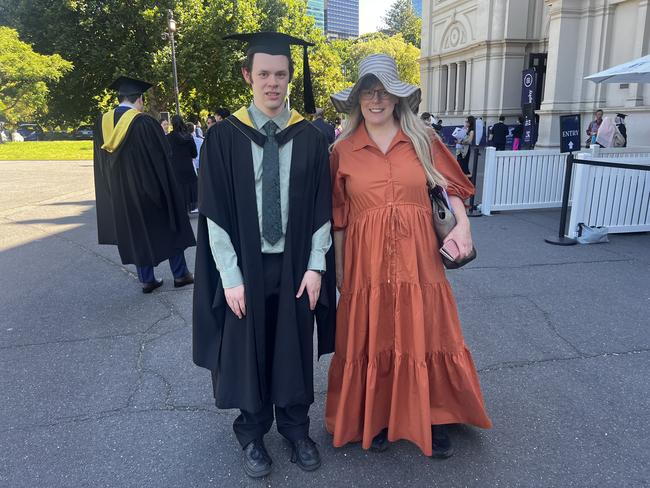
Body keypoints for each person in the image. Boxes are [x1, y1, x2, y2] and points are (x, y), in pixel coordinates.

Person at [327, 53, 491, 459]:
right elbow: (339, 218)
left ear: (398, 98)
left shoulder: (422, 140)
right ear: (357, 100)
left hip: (420, 259)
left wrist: (464, 228)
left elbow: (451, 188)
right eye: (368, 92)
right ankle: (377, 416)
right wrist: (342, 273)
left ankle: (434, 415)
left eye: (383, 92)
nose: (376, 100)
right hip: (367, 264)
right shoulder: (342, 151)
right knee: (374, 333)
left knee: (428, 332)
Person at [192, 32, 335, 479]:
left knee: (293, 346)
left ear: (290, 78)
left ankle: (295, 430)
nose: (273, 83)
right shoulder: (223, 138)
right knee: (247, 350)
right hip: (245, 266)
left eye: (281, 74)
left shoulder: (311, 138)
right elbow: (213, 213)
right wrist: (230, 276)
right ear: (247, 76)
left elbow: (320, 208)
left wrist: (316, 265)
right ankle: (252, 434)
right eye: (264, 74)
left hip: (294, 263)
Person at [93, 76, 195, 293]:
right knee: (169, 226)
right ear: (139, 99)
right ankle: (180, 275)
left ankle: (147, 279)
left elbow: (101, 162)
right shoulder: (144, 122)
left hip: (122, 193)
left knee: (136, 231)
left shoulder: (102, 123)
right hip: (151, 189)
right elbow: (163, 155)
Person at [167, 115, 198, 213]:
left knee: (179, 190)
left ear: (172, 124)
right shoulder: (189, 137)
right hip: (188, 168)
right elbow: (194, 153)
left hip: (175, 168)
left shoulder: (168, 138)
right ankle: (190, 208)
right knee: (188, 189)